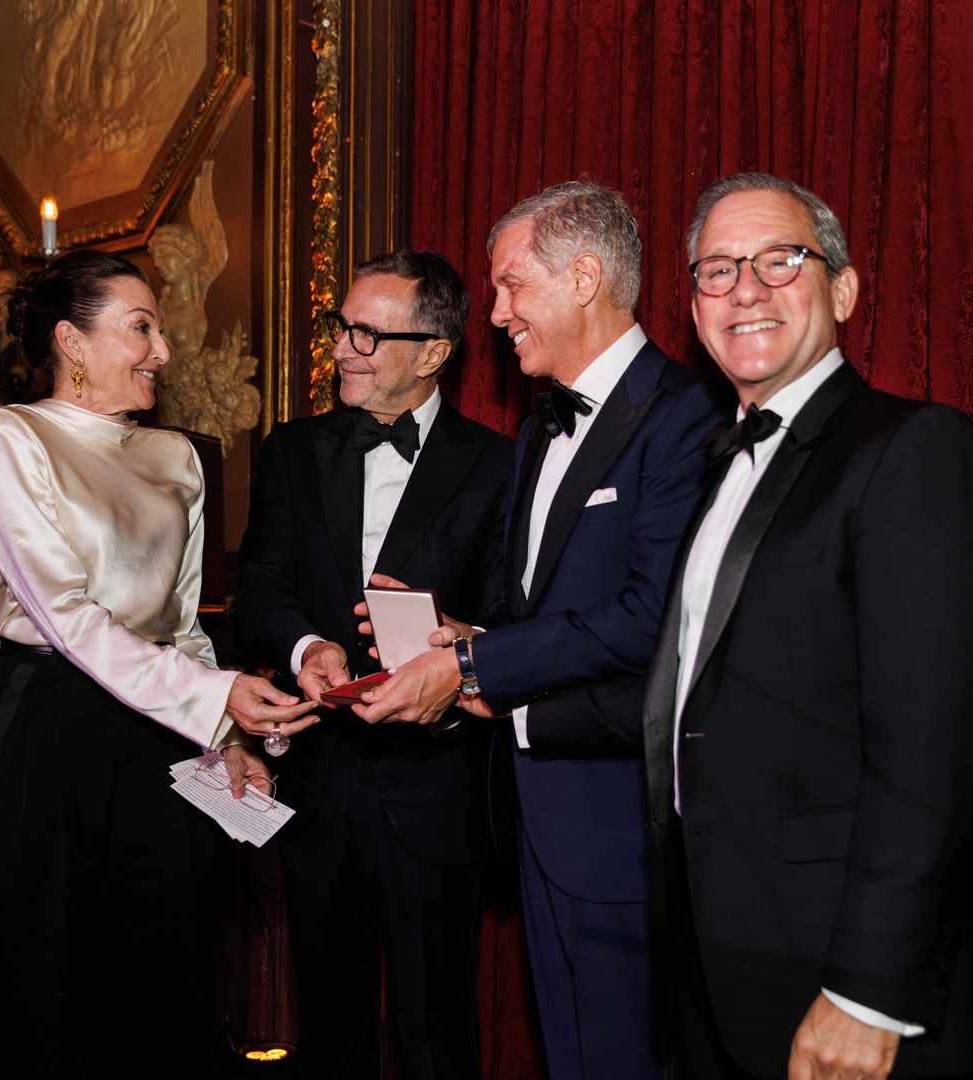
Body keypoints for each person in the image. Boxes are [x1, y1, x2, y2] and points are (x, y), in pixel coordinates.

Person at [353, 182, 728, 1079]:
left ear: (587, 277)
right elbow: (545, 620)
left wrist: (476, 664)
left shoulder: (684, 417)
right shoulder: (533, 433)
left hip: (620, 827)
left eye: (514, 287)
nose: (497, 312)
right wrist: (458, 634)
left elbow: (654, 617)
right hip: (533, 824)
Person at [0, 250, 317, 1079]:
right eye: (141, 327)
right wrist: (215, 697)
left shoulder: (177, 459)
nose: (163, 351)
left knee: (161, 971)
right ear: (71, 343)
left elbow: (182, 629)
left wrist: (227, 741)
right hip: (46, 720)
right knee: (42, 974)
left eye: (160, 328)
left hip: (159, 730)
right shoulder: (6, 434)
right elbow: (65, 615)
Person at [640, 172, 973, 1079]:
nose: (745, 288)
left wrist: (871, 992)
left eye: (780, 260)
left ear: (845, 290)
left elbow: (930, 745)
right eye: (716, 270)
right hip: (712, 942)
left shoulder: (910, 449)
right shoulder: (718, 465)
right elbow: (706, 694)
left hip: (835, 961)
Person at [231, 250, 514, 1080]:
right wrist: (303, 647)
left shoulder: (502, 466)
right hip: (321, 781)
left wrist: (457, 651)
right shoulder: (292, 451)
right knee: (326, 1028)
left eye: (366, 333)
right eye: (340, 327)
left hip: (436, 789)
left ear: (432, 352)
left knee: (437, 1034)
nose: (343, 348)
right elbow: (259, 588)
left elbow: (519, 619)